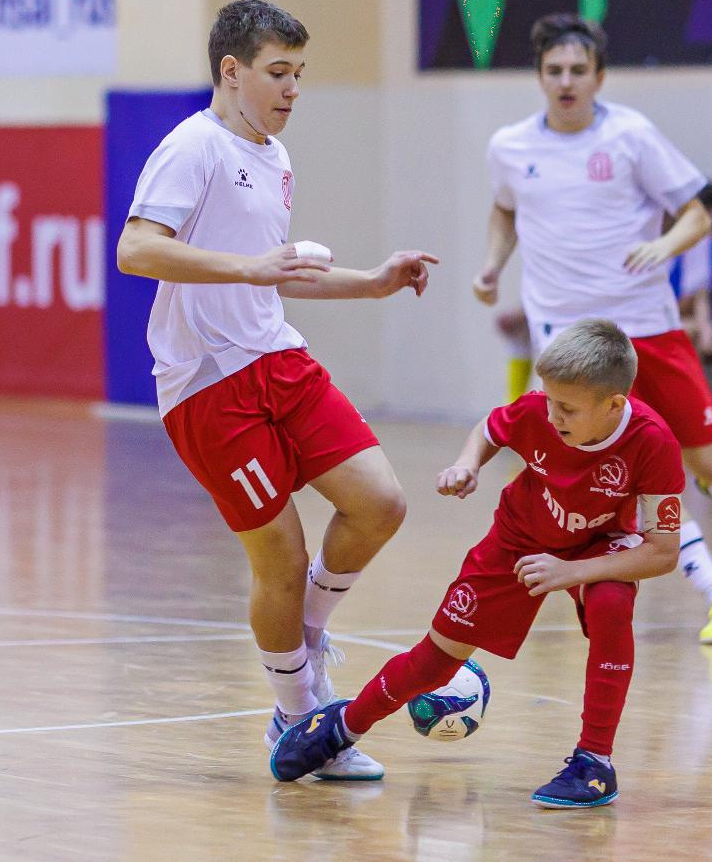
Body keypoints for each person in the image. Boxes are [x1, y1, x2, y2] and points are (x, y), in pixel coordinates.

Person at [115, 0, 438, 780]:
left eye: (299, 73)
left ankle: (309, 635)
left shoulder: (276, 156)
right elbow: (135, 249)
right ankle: (299, 720)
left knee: (380, 502)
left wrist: (370, 282)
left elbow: (277, 273)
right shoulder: (191, 147)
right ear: (232, 71)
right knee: (282, 559)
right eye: (278, 72)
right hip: (207, 385)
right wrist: (249, 267)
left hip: (277, 358)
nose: (293, 89)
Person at [270, 319, 683, 809]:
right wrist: (468, 464)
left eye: (567, 408)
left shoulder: (653, 441)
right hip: (519, 538)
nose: (552, 415)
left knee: (611, 602)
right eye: (549, 400)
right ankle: (342, 726)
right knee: (437, 657)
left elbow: (663, 551)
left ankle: (595, 762)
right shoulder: (538, 411)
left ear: (614, 405)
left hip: (600, 543)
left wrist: (571, 573)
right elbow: (489, 428)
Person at [472, 13, 712, 646]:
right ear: (539, 77)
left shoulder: (631, 136)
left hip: (646, 326)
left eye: (578, 70)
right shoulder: (510, 148)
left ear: (599, 77)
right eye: (554, 70)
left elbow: (695, 215)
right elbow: (503, 211)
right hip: (571, 344)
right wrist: (493, 265)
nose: (566, 82)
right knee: (632, 480)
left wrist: (664, 245)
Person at [670, 183, 712, 416]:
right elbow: (702, 296)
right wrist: (705, 329)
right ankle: (699, 415)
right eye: (708, 214)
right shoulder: (709, 248)